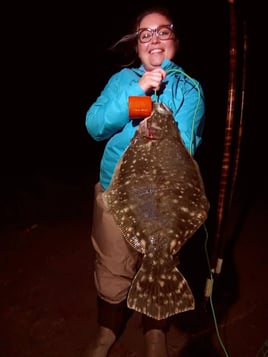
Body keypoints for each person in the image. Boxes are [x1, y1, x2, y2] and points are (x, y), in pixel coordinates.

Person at [83, 5, 206, 357]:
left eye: (163, 31)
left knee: (162, 262)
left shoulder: (188, 89)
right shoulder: (121, 81)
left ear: (175, 41)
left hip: (164, 201)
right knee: (112, 264)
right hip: (114, 193)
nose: (154, 39)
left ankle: (155, 330)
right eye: (145, 34)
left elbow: (185, 143)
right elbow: (95, 126)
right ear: (136, 46)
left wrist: (161, 134)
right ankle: (107, 330)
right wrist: (137, 95)